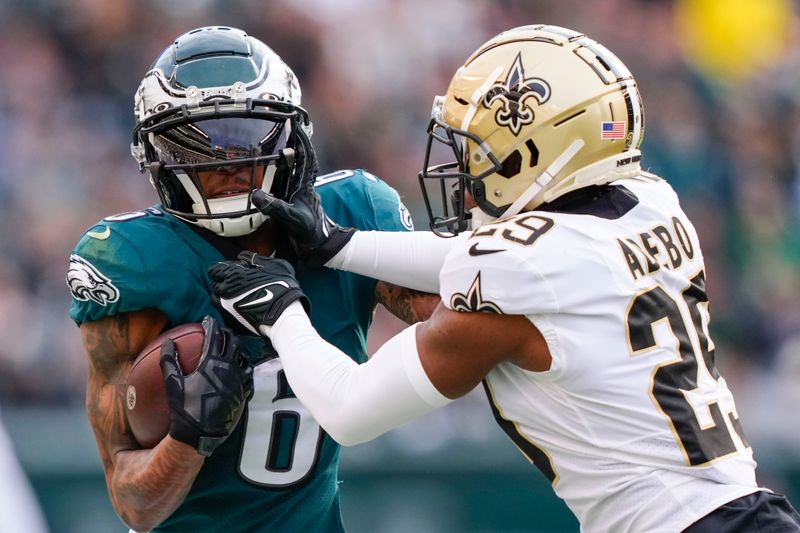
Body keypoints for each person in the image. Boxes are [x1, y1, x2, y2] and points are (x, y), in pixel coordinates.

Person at [209, 25, 800, 532]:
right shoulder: (650, 202)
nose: (464, 174)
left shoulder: (526, 269)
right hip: (742, 509)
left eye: (479, 153)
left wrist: (282, 311)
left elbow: (349, 409)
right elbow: (498, 254)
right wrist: (342, 246)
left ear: (538, 152)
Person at [66, 26, 437, 533]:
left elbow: (468, 326)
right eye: (196, 142)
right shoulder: (131, 261)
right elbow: (133, 503)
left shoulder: (356, 212)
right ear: (157, 152)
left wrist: (344, 245)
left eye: (247, 134)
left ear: (290, 137)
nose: (230, 160)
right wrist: (187, 439)